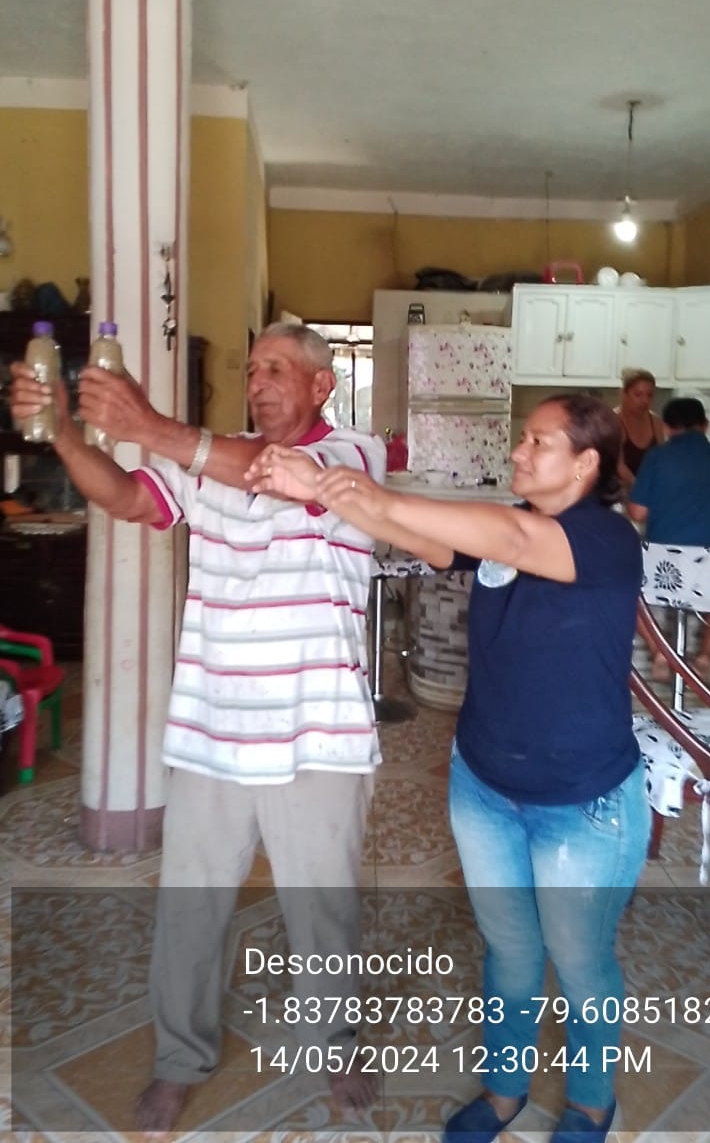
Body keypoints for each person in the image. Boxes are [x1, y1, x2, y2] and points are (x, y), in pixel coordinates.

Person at [10, 322, 387, 1132]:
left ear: (322, 385)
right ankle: (180, 1058)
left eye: (276, 368)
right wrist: (66, 434)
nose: (258, 382)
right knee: (191, 905)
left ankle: (335, 1046)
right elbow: (125, 497)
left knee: (322, 908)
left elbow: (271, 474)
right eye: (252, 370)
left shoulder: (353, 458)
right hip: (213, 729)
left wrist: (148, 425)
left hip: (320, 734)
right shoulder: (210, 460)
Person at [246, 392, 651, 1143]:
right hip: (485, 785)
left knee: (579, 960)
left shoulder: (606, 539)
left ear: (586, 463)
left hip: (582, 801)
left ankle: (592, 1104)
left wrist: (354, 486)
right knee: (510, 950)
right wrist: (329, 494)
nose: (519, 451)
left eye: (538, 442)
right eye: (522, 438)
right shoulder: (512, 526)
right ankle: (504, 1091)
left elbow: (513, 539)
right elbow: (427, 541)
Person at [627, 395, 710, 682]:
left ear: (666, 427)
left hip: (660, 572)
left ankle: (659, 652)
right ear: (705, 425)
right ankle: (703, 656)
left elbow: (637, 512)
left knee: (626, 595)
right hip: (706, 573)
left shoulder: (657, 457)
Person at [614, 368, 665, 492]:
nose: (645, 400)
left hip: (647, 492)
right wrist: (640, 487)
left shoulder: (656, 422)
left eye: (649, 395)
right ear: (623, 394)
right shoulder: (613, 421)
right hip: (618, 493)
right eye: (638, 394)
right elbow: (617, 465)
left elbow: (661, 460)